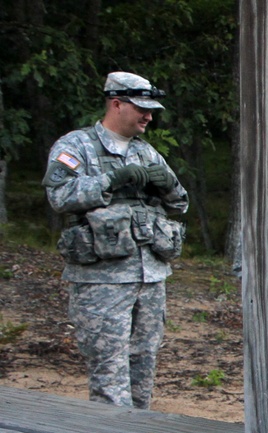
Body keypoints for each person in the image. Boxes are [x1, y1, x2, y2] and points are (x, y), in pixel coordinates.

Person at [43, 71, 188, 409]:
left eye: (151, 109)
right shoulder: (75, 146)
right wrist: (112, 179)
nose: (149, 116)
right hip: (102, 280)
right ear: (116, 103)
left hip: (149, 275)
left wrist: (166, 184)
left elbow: (180, 203)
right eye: (141, 108)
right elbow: (59, 196)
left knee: (143, 365)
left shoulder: (147, 152)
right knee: (109, 371)